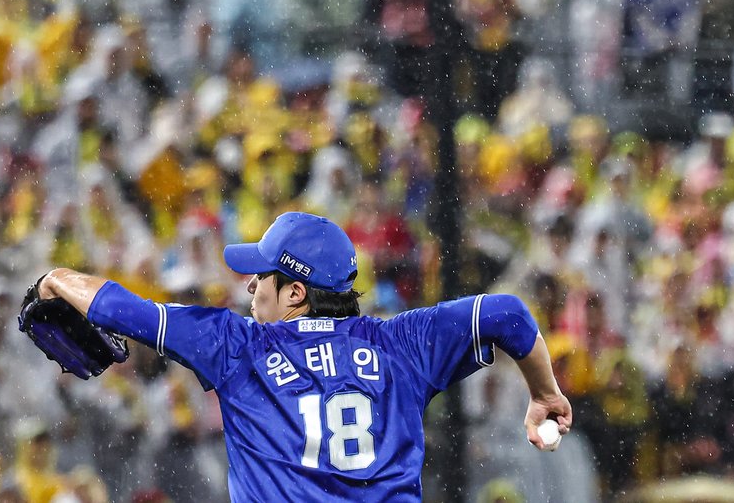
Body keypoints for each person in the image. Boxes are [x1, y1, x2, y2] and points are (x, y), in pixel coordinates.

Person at [32, 211, 572, 502]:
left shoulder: (237, 346)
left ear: (295, 292)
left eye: (261, 275)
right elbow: (507, 313)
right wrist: (544, 394)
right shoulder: (402, 343)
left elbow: (122, 309)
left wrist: (57, 279)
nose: (250, 286)